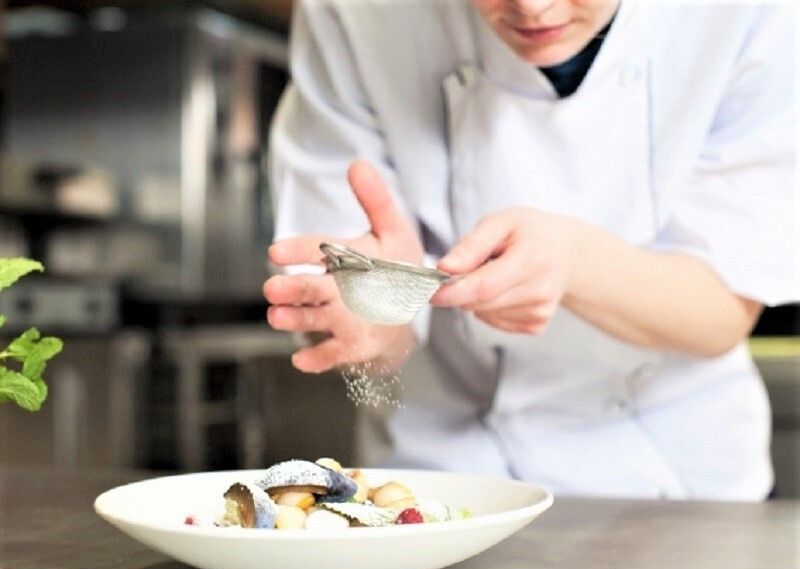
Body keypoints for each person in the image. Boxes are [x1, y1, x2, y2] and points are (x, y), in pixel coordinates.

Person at [264, 0, 798, 500]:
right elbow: (345, 310)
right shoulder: (358, 13)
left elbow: (723, 311)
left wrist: (575, 263)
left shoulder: (745, 12)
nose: (533, 8)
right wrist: (369, 309)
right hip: (441, 480)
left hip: (675, 482)